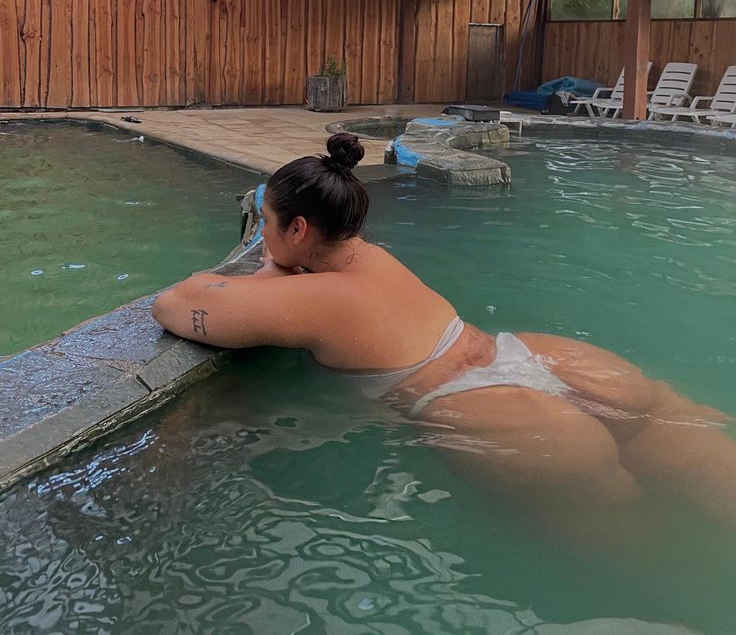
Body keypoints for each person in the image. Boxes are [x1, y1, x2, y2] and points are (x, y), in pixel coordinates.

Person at [153, 133, 736, 528]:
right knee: (681, 442)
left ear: (299, 228)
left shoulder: (312, 298)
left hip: (482, 408)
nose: (265, 236)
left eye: (269, 224)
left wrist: (271, 271)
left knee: (639, 548)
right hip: (539, 356)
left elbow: (173, 303)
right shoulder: (371, 258)